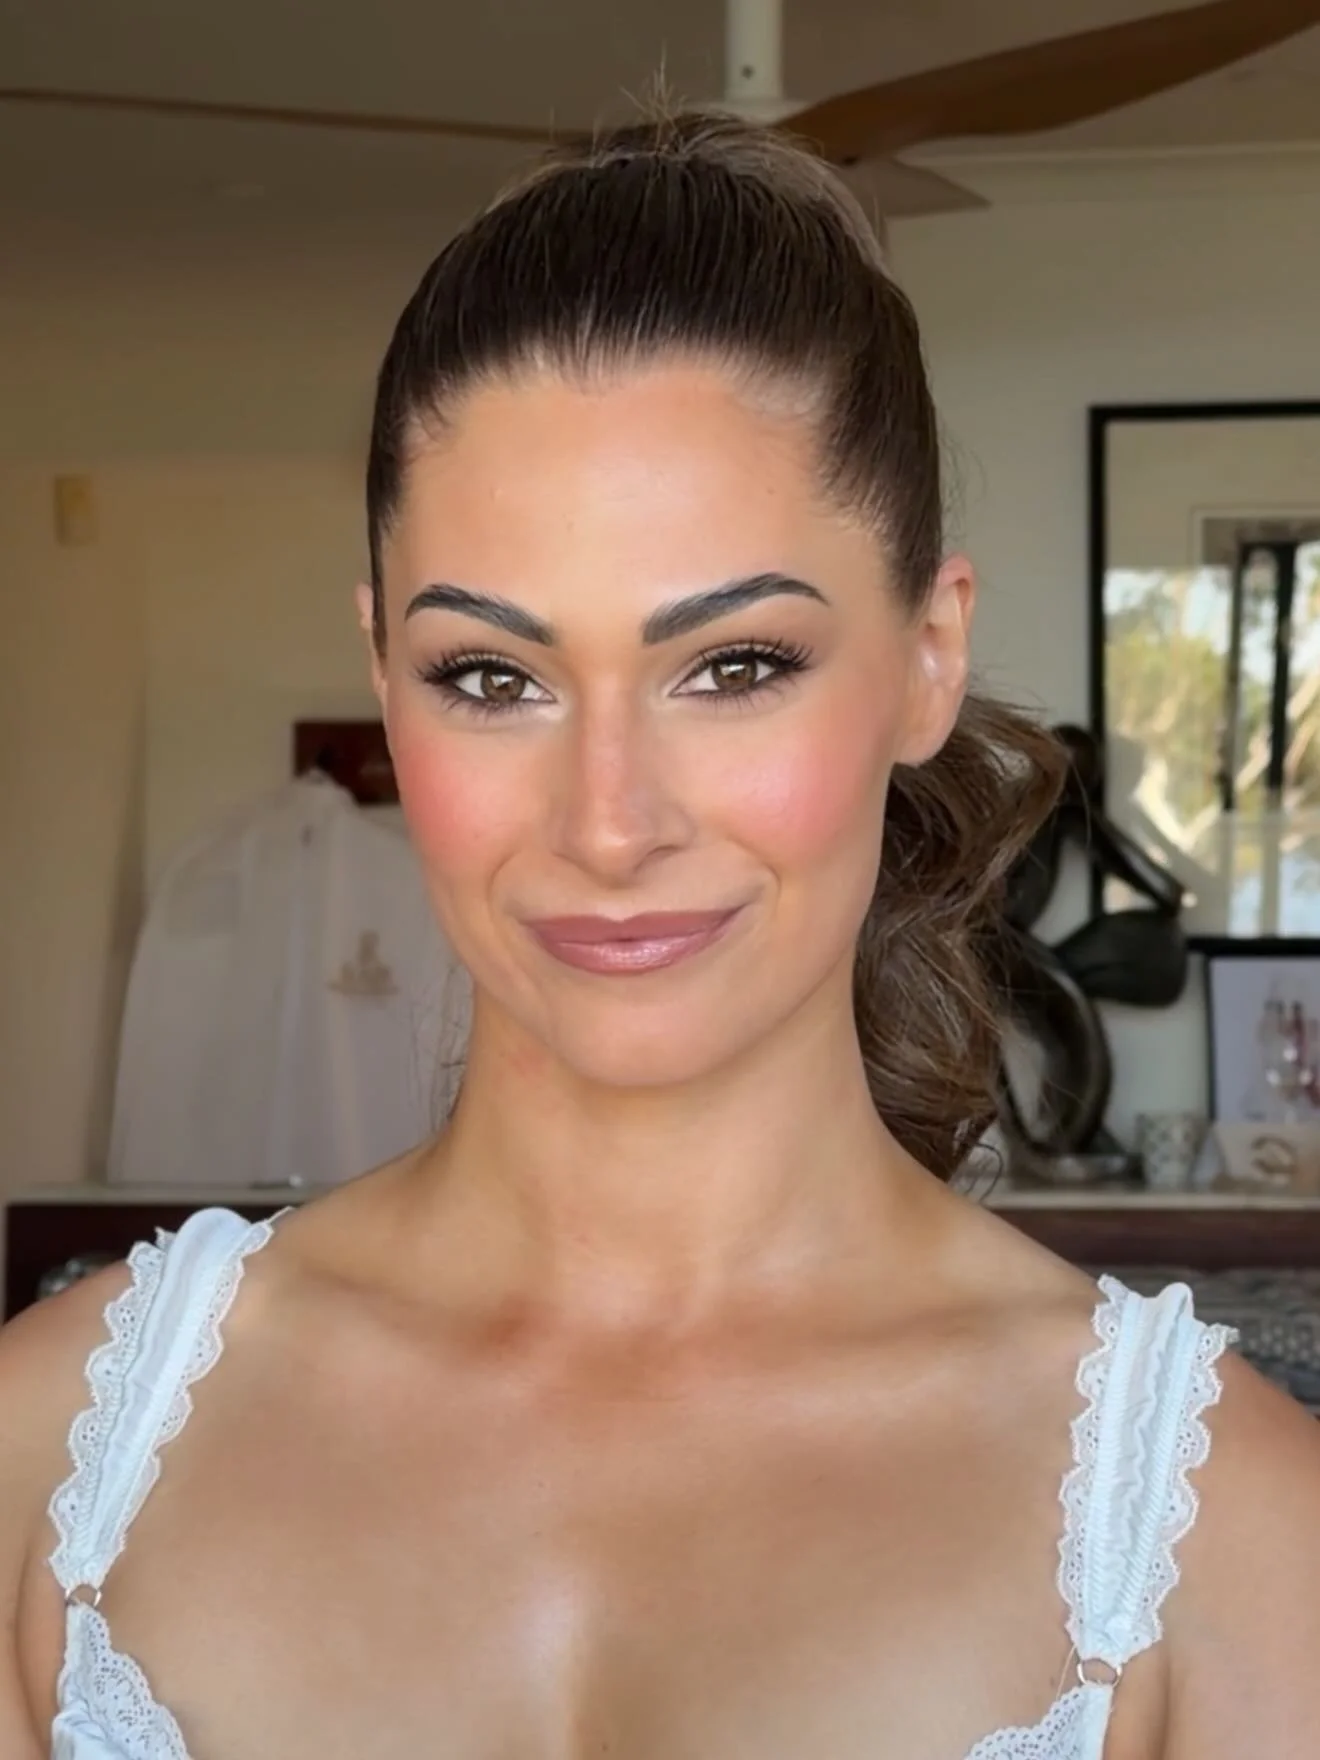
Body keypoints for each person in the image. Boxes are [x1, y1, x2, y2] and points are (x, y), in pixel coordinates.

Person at [3, 111, 1319, 1760]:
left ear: (930, 655)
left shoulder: (1228, 1547)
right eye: (494, 677)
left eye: (735, 666)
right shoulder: (50, 1463)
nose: (610, 823)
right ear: (385, 678)